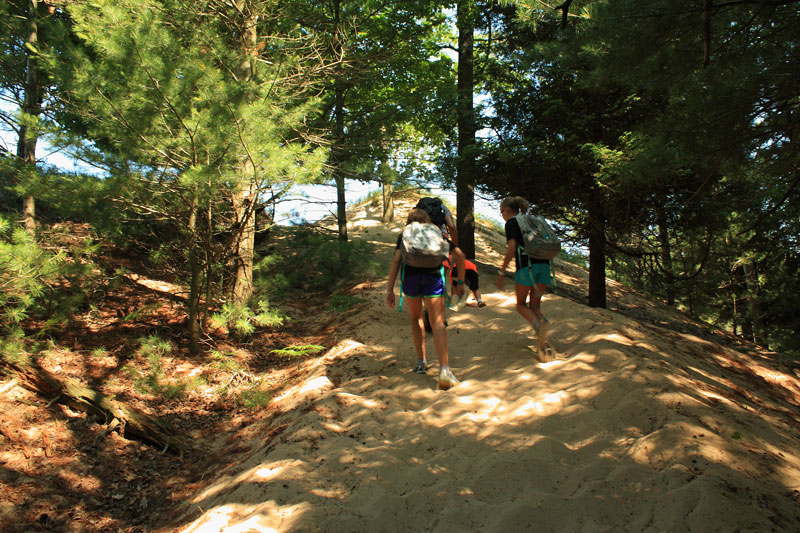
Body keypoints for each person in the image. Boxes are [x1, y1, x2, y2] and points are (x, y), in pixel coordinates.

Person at [386, 208, 466, 390]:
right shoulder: (435, 233)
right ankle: (444, 370)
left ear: (409, 222)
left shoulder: (405, 234)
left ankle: (421, 362)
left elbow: (396, 261)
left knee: (416, 318)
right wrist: (459, 282)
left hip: (411, 280)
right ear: (427, 221)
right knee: (437, 322)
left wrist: (390, 289)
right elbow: (459, 256)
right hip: (432, 278)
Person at [495, 196, 555, 361]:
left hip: (526, 267)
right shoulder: (532, 221)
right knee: (535, 306)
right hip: (544, 266)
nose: (502, 215)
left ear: (507, 210)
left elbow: (512, 248)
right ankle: (545, 346)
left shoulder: (512, 223)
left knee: (520, 305)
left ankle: (538, 326)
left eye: (501, 212)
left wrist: (501, 272)